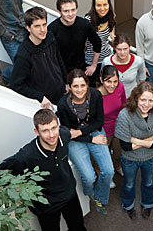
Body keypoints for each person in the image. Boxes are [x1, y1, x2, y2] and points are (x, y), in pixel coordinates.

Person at [0, 109, 87, 231]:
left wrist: (91, 138)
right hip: (46, 206)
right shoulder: (27, 155)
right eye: (45, 131)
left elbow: (71, 134)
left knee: (78, 228)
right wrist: (16, 189)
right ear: (36, 132)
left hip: (69, 195)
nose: (52, 135)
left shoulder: (63, 134)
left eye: (54, 128)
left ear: (58, 126)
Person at [57, 69, 114, 215]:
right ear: (68, 87)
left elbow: (99, 121)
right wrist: (90, 139)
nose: (79, 90)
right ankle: (90, 193)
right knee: (89, 177)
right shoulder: (63, 105)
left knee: (108, 171)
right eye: (75, 86)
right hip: (75, 139)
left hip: (92, 131)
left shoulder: (95, 95)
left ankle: (100, 198)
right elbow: (67, 133)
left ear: (87, 84)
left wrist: (83, 133)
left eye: (82, 85)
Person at [115, 82, 153, 220]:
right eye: (143, 99)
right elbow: (125, 146)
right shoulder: (124, 115)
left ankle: (148, 204)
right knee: (129, 183)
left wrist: (136, 140)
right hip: (129, 159)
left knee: (148, 182)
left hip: (150, 158)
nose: (146, 104)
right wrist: (150, 139)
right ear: (136, 99)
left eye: (151, 100)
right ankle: (128, 205)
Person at [10, 6, 67, 109]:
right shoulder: (24, 54)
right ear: (28, 28)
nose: (42, 30)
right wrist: (40, 97)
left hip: (62, 92)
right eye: (37, 26)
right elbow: (16, 85)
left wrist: (66, 82)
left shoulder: (50, 37)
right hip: (47, 103)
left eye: (44, 25)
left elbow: (59, 60)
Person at [48, 0, 101, 75]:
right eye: (66, 11)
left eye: (73, 10)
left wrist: (94, 65)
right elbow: (49, 55)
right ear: (59, 11)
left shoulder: (84, 24)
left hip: (81, 69)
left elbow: (97, 43)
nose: (70, 14)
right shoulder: (52, 29)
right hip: (60, 72)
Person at [97, 65, 126, 188]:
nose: (112, 85)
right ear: (101, 80)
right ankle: (105, 176)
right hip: (102, 131)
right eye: (109, 81)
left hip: (118, 127)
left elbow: (124, 104)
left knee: (118, 152)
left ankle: (117, 166)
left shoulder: (120, 87)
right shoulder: (96, 95)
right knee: (102, 157)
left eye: (115, 81)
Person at [85, 0, 116, 87]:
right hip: (92, 61)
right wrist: (93, 65)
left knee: (107, 87)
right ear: (94, 6)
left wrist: (112, 35)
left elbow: (111, 32)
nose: (102, 9)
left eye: (105, 5)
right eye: (98, 5)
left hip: (107, 58)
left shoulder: (111, 16)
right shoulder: (88, 20)